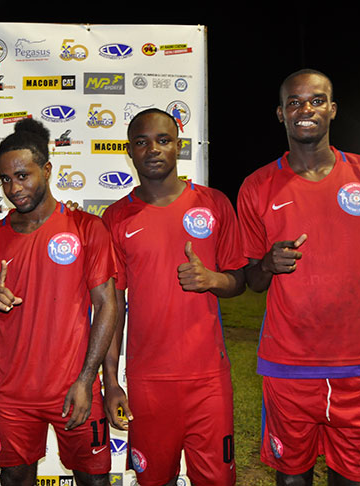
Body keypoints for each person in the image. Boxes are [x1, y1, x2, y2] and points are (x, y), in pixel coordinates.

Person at [236, 69, 360, 486]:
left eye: (316, 100)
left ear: (332, 109)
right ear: (280, 114)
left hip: (358, 366)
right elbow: (252, 280)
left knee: (350, 477)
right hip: (287, 366)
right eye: (294, 102)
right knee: (292, 477)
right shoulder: (257, 186)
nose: (306, 109)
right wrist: (266, 263)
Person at [0, 118, 117, 486]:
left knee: (93, 479)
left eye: (23, 175)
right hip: (13, 395)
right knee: (15, 479)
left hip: (74, 388)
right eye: (6, 179)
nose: (14, 188)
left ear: (46, 169)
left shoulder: (85, 228)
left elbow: (107, 306)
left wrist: (85, 379)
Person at [102, 108, 247, 486]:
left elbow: (240, 280)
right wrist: (112, 382)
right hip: (148, 383)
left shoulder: (215, 204)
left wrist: (211, 278)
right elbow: (111, 308)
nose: (153, 149)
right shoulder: (116, 218)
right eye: (142, 142)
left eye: (163, 140)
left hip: (208, 380)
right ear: (129, 151)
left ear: (179, 147)